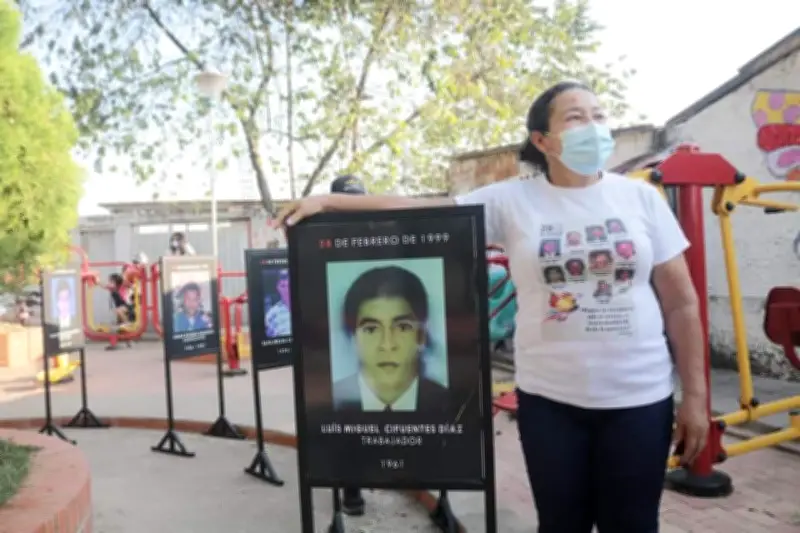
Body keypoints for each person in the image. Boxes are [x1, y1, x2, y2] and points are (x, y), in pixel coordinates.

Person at [273, 81, 709, 533]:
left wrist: (695, 397)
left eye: (599, 115)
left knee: (634, 524)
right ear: (542, 140)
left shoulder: (641, 199)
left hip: (639, 399)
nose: (594, 127)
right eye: (576, 118)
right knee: (561, 524)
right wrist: (329, 202)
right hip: (550, 403)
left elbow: (681, 303)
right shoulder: (512, 200)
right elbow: (424, 208)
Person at [331, 265, 448, 413]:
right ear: (352, 336)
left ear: (421, 335)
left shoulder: (450, 404)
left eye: (402, 327)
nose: (387, 344)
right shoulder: (330, 402)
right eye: (371, 329)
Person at [264, 269, 291, 338]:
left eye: (288, 285)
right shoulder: (271, 314)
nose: (286, 289)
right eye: (283, 286)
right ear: (278, 287)